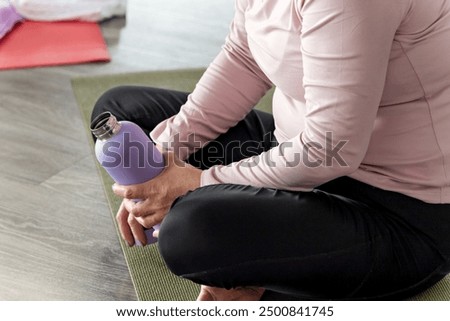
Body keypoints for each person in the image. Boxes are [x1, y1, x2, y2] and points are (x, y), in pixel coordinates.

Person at [91, 0, 450, 300]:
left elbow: (329, 150)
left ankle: (262, 285)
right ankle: (252, 247)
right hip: (292, 155)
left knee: (189, 230)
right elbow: (244, 56)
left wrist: (195, 183)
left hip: (397, 215)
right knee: (124, 118)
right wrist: (161, 161)